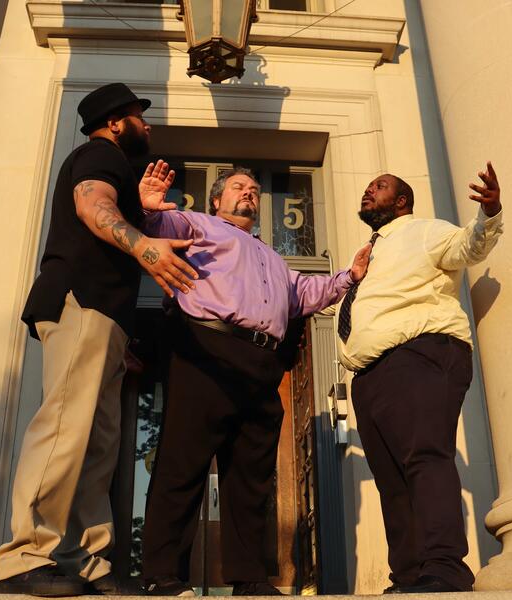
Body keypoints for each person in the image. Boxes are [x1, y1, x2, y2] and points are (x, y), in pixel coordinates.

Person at [0, 83, 198, 597]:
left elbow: (111, 208)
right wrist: (145, 245)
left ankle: (84, 560)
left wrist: (141, 209)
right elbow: (92, 207)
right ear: (113, 123)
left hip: (106, 318)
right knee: (66, 427)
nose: (146, 126)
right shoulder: (97, 155)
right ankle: (27, 556)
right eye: (138, 117)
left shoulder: (115, 167)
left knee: (99, 444)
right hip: (82, 301)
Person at [138, 167, 372, 596]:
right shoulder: (198, 225)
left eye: (254, 190)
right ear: (216, 200)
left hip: (261, 363)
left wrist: (349, 278)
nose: (248, 193)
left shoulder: (274, 258)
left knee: (251, 476)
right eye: (238, 187)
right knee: (182, 463)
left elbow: (305, 293)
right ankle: (161, 574)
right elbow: (156, 228)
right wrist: (149, 208)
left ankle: (248, 578)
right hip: (207, 349)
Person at [340, 165, 504, 594]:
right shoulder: (367, 255)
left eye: (379, 186)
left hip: (418, 352)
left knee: (424, 458)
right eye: (367, 186)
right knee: (391, 479)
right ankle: (409, 575)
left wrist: (490, 213)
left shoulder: (426, 230)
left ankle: (445, 568)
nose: (368, 190)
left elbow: (467, 247)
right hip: (369, 370)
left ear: (401, 201)